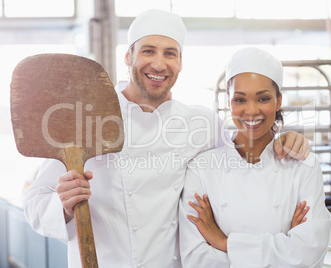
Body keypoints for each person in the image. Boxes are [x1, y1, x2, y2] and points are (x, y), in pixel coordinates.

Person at [23, 10, 311, 268]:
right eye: (148, 51)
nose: (159, 64)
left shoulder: (201, 123)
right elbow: (34, 205)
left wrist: (284, 139)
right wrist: (62, 205)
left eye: (170, 53)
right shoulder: (88, 119)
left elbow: (247, 158)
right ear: (128, 57)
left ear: (181, 62)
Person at [179, 47, 331, 267]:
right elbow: (195, 258)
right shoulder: (202, 168)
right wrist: (282, 248)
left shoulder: (303, 166)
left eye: (263, 98)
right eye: (240, 100)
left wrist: (224, 242)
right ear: (229, 102)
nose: (251, 111)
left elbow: (308, 254)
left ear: (278, 101)